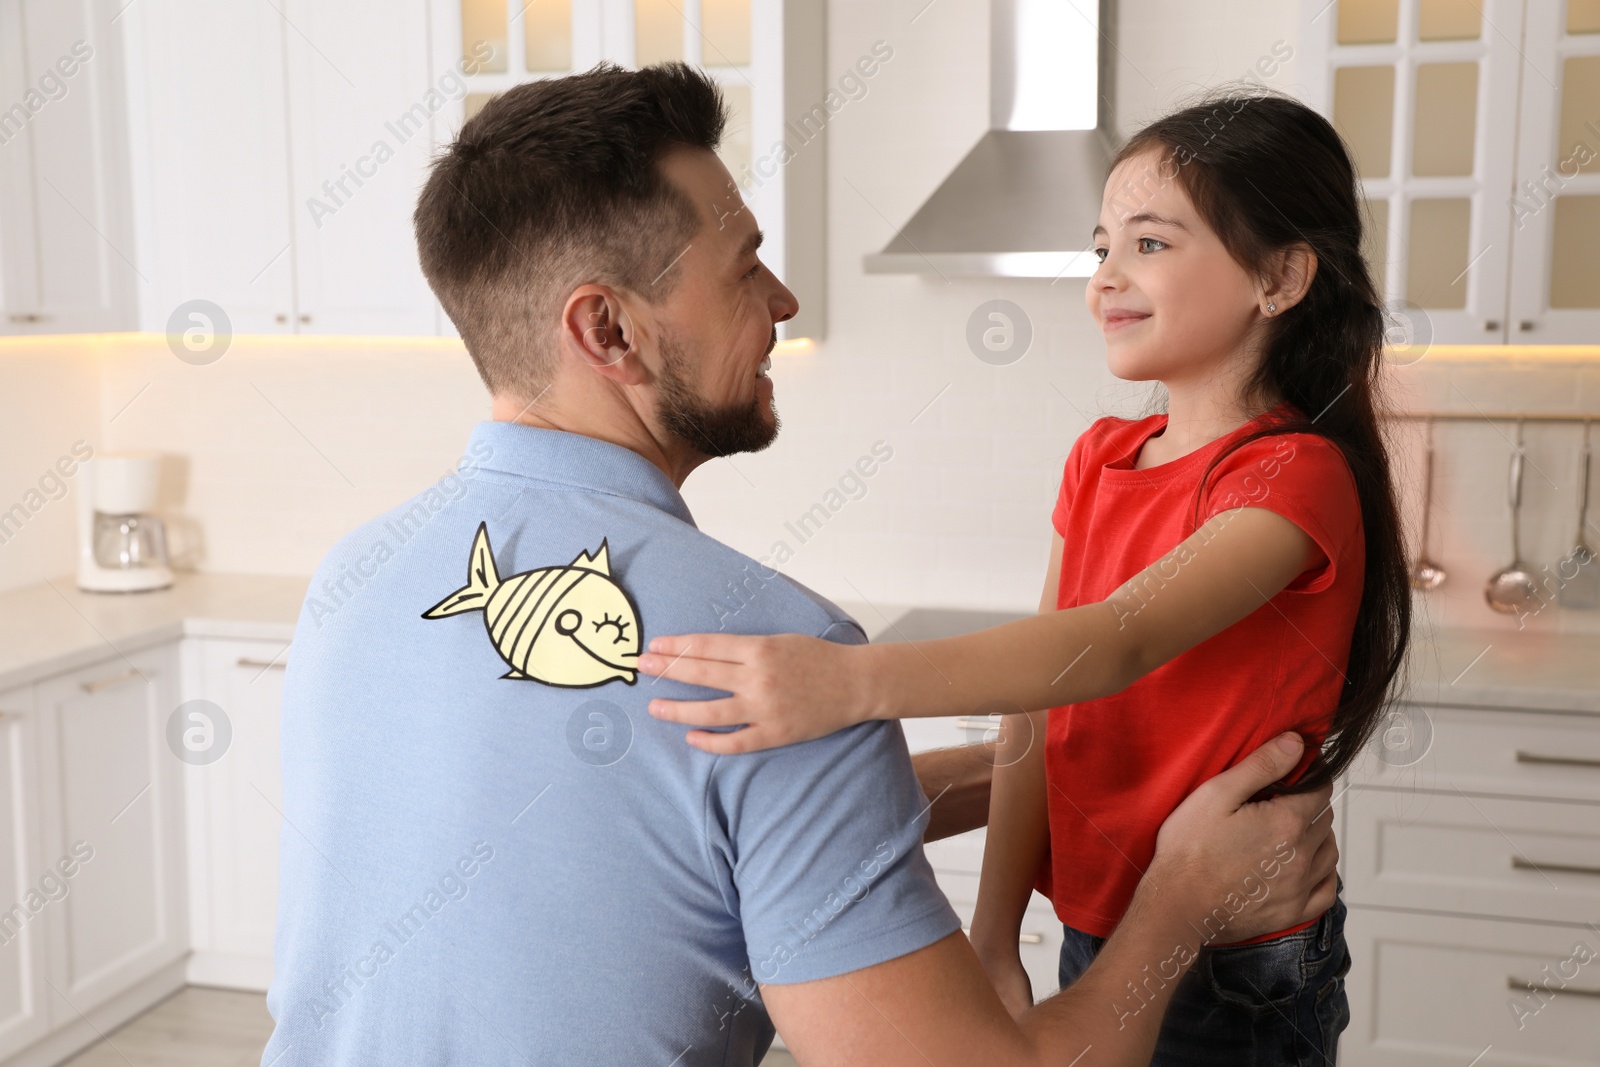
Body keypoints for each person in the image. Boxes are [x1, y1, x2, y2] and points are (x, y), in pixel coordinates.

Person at [260, 66, 1340, 1067]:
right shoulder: (785, 659)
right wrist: (1183, 893)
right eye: (745, 268)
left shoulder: (350, 582)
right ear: (607, 328)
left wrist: (963, 790)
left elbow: (638, 844)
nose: (783, 302)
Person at [638, 88, 1409, 1065]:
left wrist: (850, 680)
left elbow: (1111, 641)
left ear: (1281, 276)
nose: (1105, 278)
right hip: (1102, 925)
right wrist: (994, 933)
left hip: (1238, 954)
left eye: (1151, 244)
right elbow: (1037, 717)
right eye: (1099, 248)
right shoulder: (1100, 457)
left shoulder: (1294, 476)